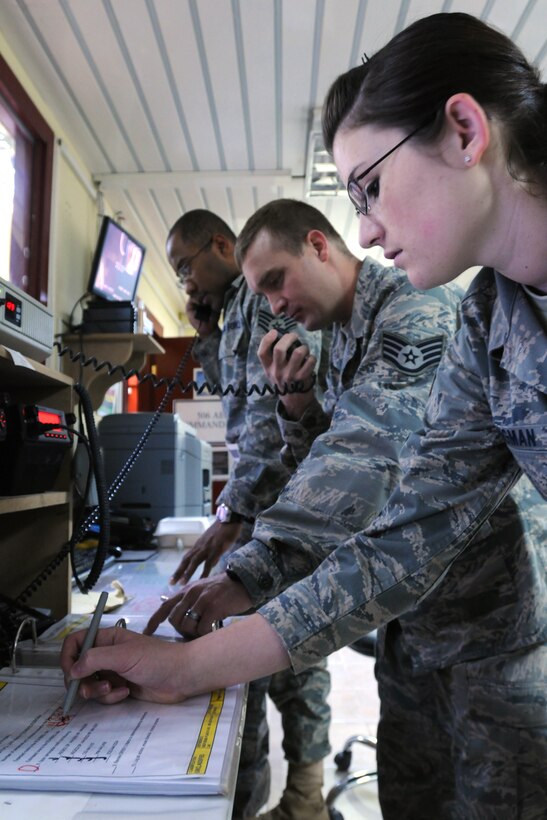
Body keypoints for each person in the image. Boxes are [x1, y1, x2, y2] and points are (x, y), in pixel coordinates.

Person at [62, 13, 547, 819]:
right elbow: (409, 529)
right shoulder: (485, 322)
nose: (367, 230)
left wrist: (248, 573)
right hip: (421, 623)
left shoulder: (424, 315)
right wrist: (188, 661)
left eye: (371, 188)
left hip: (495, 633)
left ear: (464, 131)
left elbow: (365, 464)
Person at [150, 197, 460, 819]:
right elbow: (324, 450)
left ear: (319, 246)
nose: (276, 306)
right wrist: (297, 408)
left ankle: (304, 798)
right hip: (413, 604)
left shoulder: (413, 307)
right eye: (262, 294)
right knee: (411, 792)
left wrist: (248, 569)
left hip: (480, 610)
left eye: (276, 282)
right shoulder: (337, 334)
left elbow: (366, 459)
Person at [164, 209, 331, 819]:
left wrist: (233, 511)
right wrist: (205, 333)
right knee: (265, 655)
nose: (185, 281)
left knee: (295, 655)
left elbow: (265, 421)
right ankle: (270, 794)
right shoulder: (233, 309)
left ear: (219, 244)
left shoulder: (263, 300)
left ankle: (303, 797)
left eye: (185, 266)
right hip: (262, 501)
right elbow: (237, 396)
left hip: (285, 503)